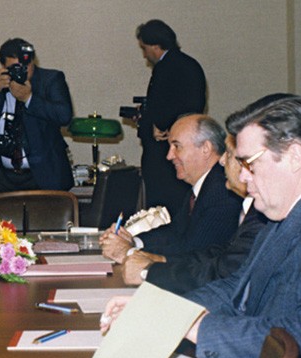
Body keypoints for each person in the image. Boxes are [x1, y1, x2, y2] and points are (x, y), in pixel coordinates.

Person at [102, 94, 301, 358]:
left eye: (248, 163)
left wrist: (194, 327)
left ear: (294, 156)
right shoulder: (285, 214)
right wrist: (159, 309)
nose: (240, 175)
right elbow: (236, 288)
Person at [121, 134, 268, 293]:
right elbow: (218, 253)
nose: (222, 161)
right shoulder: (203, 189)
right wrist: (148, 254)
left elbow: (222, 269)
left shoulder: (223, 193)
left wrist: (148, 270)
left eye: (177, 146)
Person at [100, 114, 241, 262]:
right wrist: (133, 241)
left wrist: (129, 251)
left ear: (205, 148)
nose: (169, 156)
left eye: (177, 146)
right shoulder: (206, 185)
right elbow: (175, 232)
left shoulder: (222, 190)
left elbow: (193, 251)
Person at [0, 38, 74, 194]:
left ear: (33, 61)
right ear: (3, 66)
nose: (22, 71)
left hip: (44, 177)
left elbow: (65, 116)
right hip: (2, 178)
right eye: (15, 67)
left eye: (26, 65)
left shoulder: (50, 80)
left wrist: (29, 98)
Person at [134, 19, 207, 214]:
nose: (145, 54)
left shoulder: (165, 68)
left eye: (144, 48)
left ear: (155, 46)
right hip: (185, 146)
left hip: (164, 152)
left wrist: (158, 124)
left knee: (162, 209)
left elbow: (164, 107)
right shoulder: (190, 64)